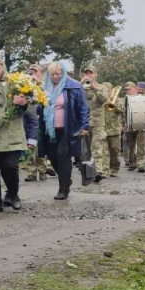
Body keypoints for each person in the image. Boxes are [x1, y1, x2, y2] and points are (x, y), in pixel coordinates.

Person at [0, 58, 36, 213]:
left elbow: (31, 102)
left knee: (10, 166)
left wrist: (23, 102)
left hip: (11, 135)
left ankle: (13, 194)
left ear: (3, 68)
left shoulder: (15, 84)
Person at [40, 62, 89, 201]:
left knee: (63, 156)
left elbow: (83, 108)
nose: (55, 77)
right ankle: (66, 178)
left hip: (68, 129)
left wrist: (84, 126)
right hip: (49, 129)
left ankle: (63, 189)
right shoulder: (46, 87)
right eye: (52, 74)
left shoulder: (74, 86)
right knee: (51, 156)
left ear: (63, 73)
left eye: (58, 74)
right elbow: (41, 106)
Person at [24, 64, 55, 182]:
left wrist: (38, 83)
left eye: (35, 71)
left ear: (40, 73)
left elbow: (49, 97)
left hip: (42, 118)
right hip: (29, 118)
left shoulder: (46, 84)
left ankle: (42, 170)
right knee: (30, 144)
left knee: (41, 145)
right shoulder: (26, 84)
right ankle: (31, 172)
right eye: (31, 71)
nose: (32, 73)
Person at [80, 63, 110, 183]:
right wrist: (80, 85)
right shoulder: (80, 87)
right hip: (85, 122)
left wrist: (94, 87)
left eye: (90, 73)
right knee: (86, 149)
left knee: (97, 147)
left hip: (97, 122)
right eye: (86, 73)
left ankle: (98, 171)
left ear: (96, 74)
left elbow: (103, 99)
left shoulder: (101, 87)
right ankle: (89, 172)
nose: (88, 75)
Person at [120, 81, 145, 173]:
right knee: (130, 145)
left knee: (141, 145)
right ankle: (132, 163)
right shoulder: (124, 99)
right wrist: (122, 124)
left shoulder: (143, 98)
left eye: (129, 89)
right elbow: (121, 113)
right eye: (126, 90)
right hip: (128, 125)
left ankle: (141, 164)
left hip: (141, 124)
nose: (127, 91)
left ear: (135, 88)